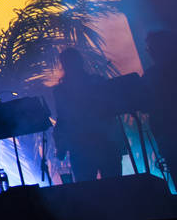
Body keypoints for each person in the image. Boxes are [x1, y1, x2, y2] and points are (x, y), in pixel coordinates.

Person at [52, 49, 127, 182]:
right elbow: (63, 117)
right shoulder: (95, 81)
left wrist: (61, 146)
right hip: (95, 144)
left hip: (87, 145)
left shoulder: (62, 90)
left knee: (91, 189)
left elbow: (63, 118)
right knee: (113, 187)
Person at [143, 30, 177, 199]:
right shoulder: (151, 75)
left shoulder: (152, 75)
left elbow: (144, 104)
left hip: (173, 136)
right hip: (169, 138)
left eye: (152, 48)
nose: (151, 52)